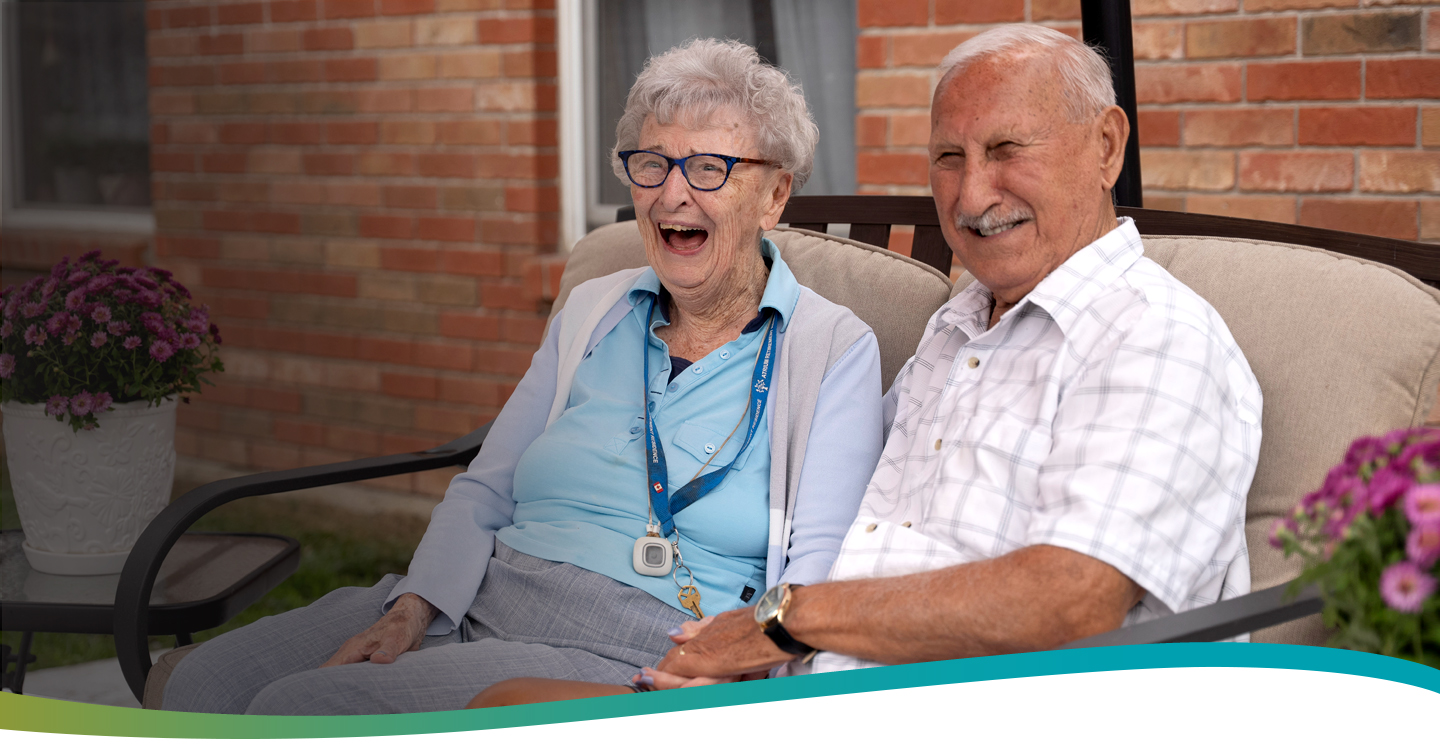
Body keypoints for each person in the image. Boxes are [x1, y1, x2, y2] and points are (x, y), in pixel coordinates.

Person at [469, 23, 1262, 707]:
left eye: (1007, 149)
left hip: (932, 710)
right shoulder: (956, 334)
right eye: (949, 156)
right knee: (489, 700)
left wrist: (780, 622)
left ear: (1106, 146)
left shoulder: (1153, 338)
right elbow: (818, 496)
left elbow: (1071, 597)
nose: (973, 193)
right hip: (782, 690)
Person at [161, 39, 884, 715]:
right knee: (202, 684)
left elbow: (817, 571)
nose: (672, 195)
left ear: (775, 195)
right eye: (652, 163)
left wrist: (739, 666)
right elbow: (488, 485)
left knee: (300, 711)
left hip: (637, 645)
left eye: (709, 167)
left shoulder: (830, 348)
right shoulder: (594, 310)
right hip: (479, 591)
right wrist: (416, 607)